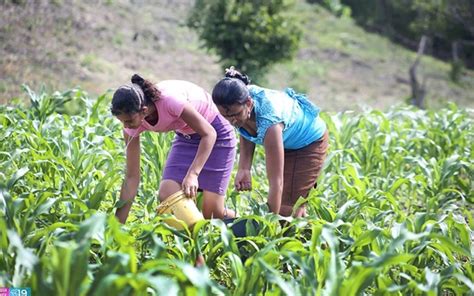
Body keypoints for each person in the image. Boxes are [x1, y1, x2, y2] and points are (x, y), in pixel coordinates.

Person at [111, 74, 236, 224]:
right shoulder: (131, 126)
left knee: (213, 214)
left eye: (129, 121)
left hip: (216, 134)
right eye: (122, 122)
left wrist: (192, 174)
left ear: (144, 110)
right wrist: (116, 228)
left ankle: (246, 224)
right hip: (187, 137)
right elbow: (131, 177)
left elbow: (209, 134)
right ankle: (196, 240)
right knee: (168, 193)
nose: (126, 126)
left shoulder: (170, 101)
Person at [211, 67, 329, 217]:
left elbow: (276, 184)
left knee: (287, 210)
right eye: (225, 116)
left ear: (248, 103)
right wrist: (244, 168)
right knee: (291, 207)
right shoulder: (241, 99)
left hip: (309, 141)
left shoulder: (270, 123)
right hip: (288, 140)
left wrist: (268, 223)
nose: (231, 120)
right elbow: (246, 128)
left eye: (235, 115)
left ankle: (315, 236)